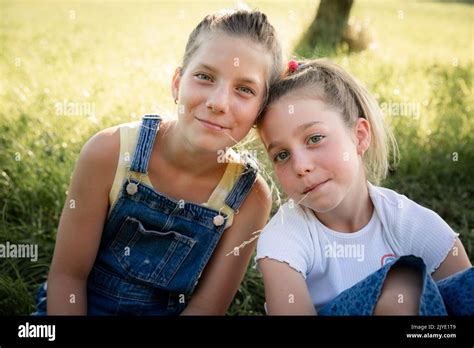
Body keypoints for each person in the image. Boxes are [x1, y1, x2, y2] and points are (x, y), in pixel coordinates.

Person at [33, 9, 283, 315]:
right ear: (177, 82)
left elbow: (207, 307)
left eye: (244, 90)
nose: (218, 102)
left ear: (260, 111)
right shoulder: (109, 153)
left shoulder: (250, 199)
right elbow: (67, 278)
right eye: (204, 77)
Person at [255, 59, 473, 315]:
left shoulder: (414, 224)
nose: (301, 166)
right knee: (401, 288)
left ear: (359, 136)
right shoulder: (283, 238)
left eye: (315, 138)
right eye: (282, 155)